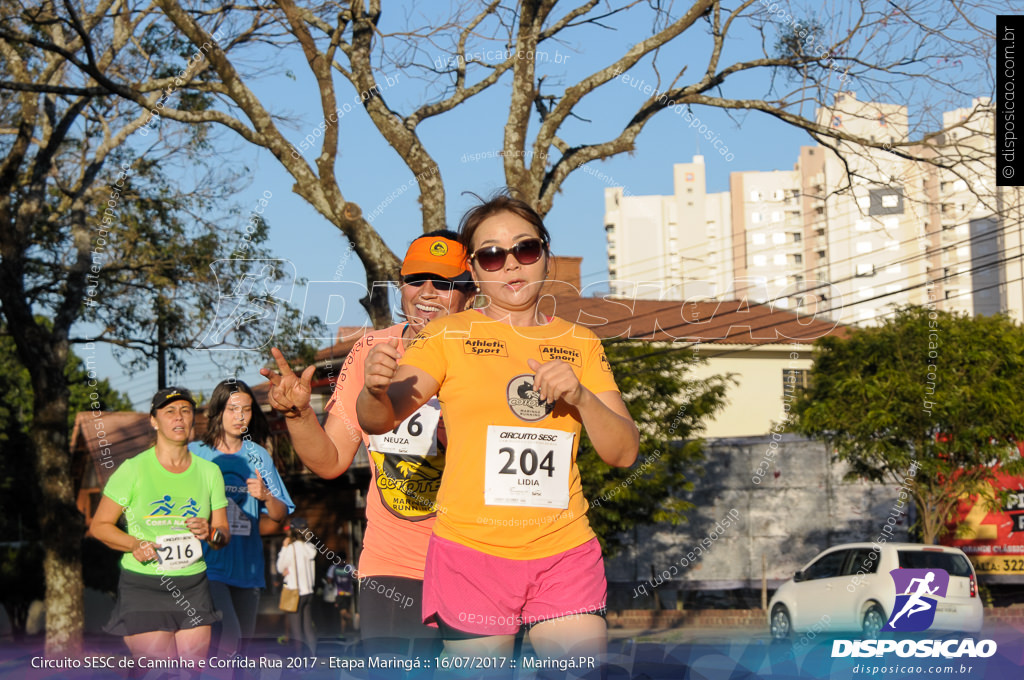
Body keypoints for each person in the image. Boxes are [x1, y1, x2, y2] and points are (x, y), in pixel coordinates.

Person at [356, 194, 640, 662]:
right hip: (470, 554)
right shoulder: (446, 336)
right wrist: (373, 389)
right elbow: (381, 418)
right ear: (474, 267)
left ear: (545, 253)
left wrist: (582, 396)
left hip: (563, 549)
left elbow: (624, 452)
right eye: (491, 254)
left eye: (524, 250)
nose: (510, 265)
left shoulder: (581, 343)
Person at [261, 230, 474, 660]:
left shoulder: (489, 355)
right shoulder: (372, 350)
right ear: (400, 288)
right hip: (393, 564)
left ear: (470, 296)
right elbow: (331, 459)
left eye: (445, 283)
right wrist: (299, 415)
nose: (427, 292)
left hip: (478, 560)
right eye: (417, 280)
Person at [91, 387, 230, 664]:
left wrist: (211, 532)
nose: (179, 417)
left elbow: (222, 534)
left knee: (192, 673)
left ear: (192, 419)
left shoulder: (210, 472)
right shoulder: (133, 469)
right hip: (145, 586)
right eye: (170, 412)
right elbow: (99, 525)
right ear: (154, 421)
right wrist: (134, 544)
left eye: (186, 411)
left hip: (194, 585)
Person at [189, 379, 295, 658]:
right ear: (217, 411)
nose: (240, 417)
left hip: (248, 568)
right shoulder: (196, 454)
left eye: (246, 410)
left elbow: (280, 514)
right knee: (229, 635)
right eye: (232, 409)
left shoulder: (258, 456)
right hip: (207, 565)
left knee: (241, 650)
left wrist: (266, 496)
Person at [276, 518, 317, 655]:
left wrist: (284, 547)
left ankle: (300, 663)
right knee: (308, 629)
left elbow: (280, 567)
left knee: (297, 631)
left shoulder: (291, 548)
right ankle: (312, 659)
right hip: (308, 592)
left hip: (295, 592)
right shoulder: (310, 547)